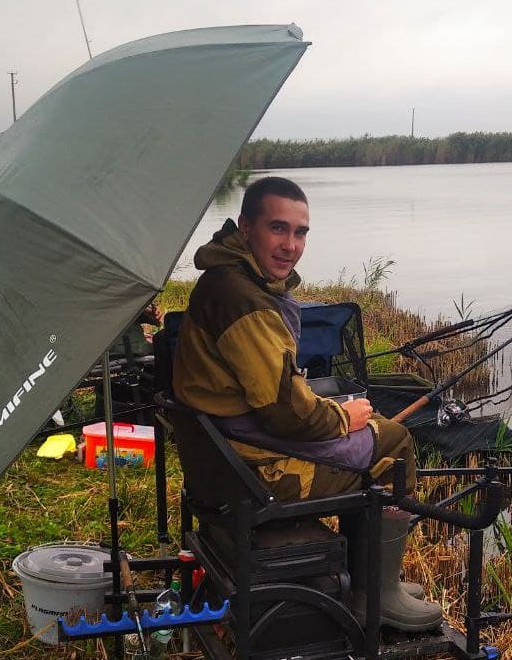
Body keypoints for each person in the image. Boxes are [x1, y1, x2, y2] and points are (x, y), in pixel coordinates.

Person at [172, 175, 441, 631]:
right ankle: (376, 596)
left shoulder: (228, 280)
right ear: (246, 227)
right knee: (394, 442)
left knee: (367, 423)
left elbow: (269, 388)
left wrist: (332, 410)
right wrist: (342, 416)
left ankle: (368, 580)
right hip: (253, 473)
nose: (291, 245)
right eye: (278, 228)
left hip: (223, 457)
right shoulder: (245, 300)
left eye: (300, 233)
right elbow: (285, 414)